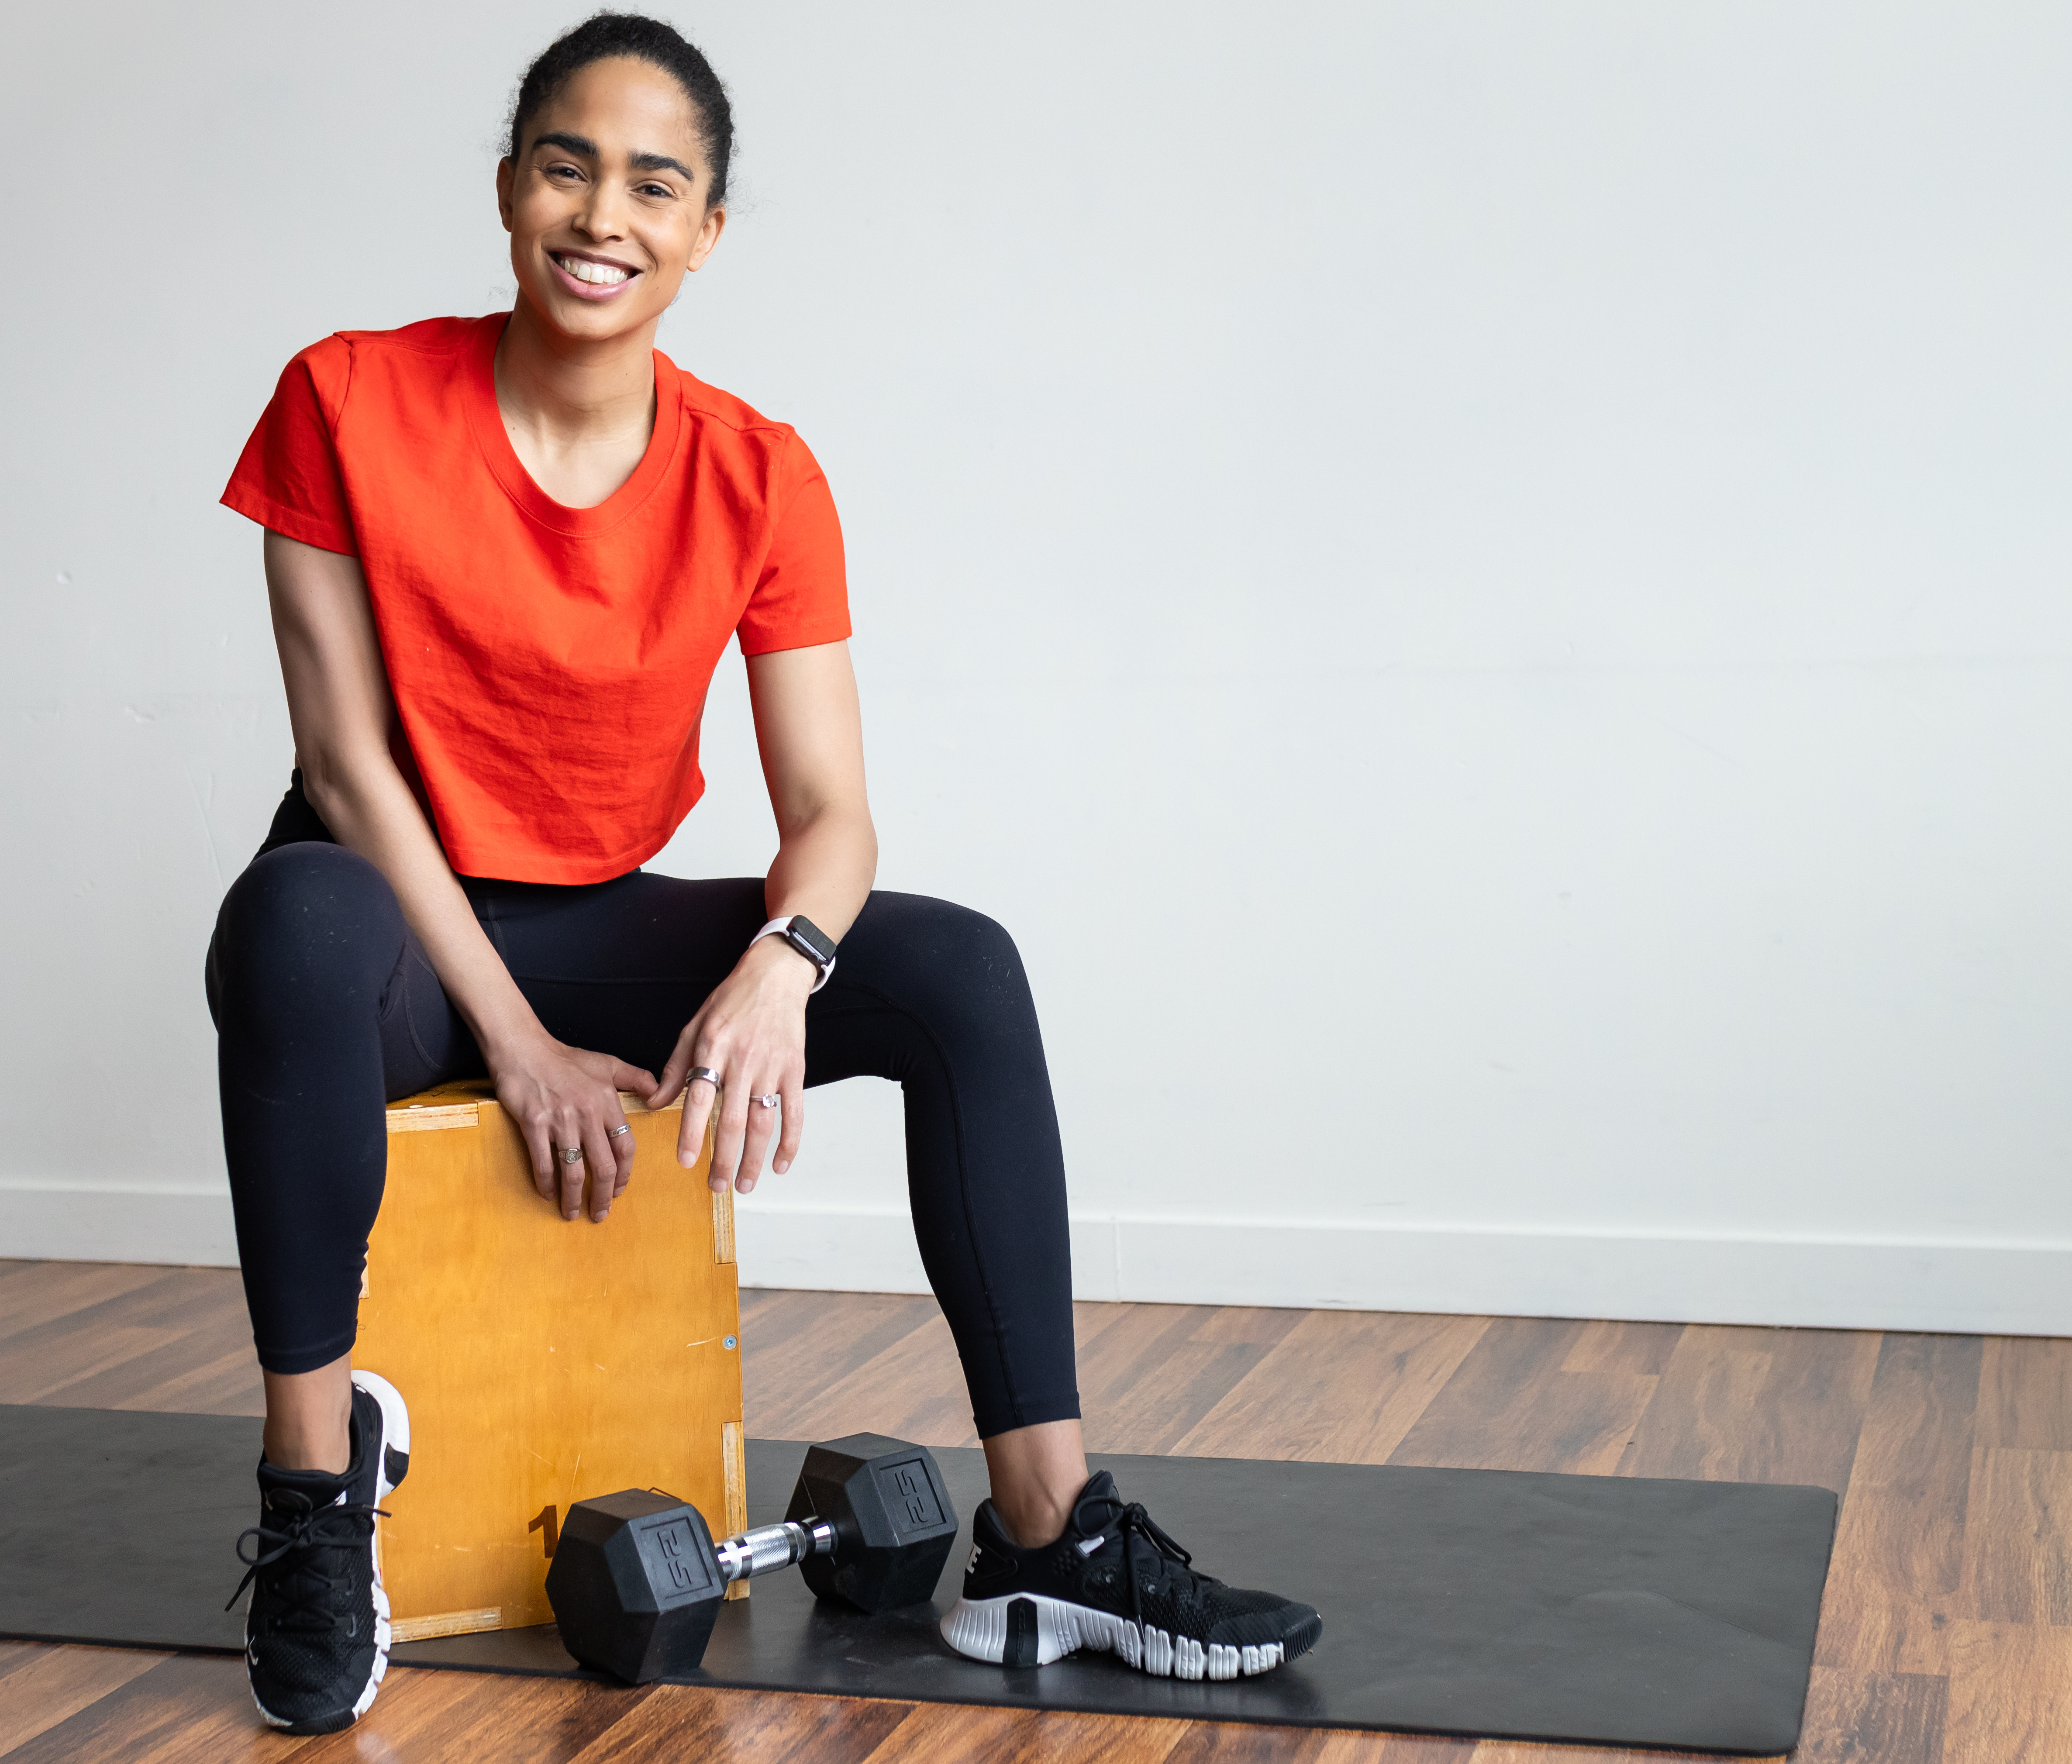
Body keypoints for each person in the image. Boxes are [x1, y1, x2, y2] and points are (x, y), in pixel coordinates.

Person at [205, 12, 1320, 1733]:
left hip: (580, 921)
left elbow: (834, 810)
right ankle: (310, 1493)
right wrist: (512, 1044)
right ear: (508, 189)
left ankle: (1047, 1532)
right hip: (385, 932)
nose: (602, 214)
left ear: (706, 231)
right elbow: (351, 771)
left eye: (655, 183)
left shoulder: (758, 471)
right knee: (284, 914)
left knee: (957, 968)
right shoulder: (344, 397)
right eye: (566, 165)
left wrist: (780, 965)